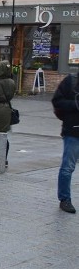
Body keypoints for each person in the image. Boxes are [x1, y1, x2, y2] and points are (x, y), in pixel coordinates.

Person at [52, 72, 79, 214]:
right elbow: (57, 101)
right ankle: (65, 199)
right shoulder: (71, 81)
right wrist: (75, 103)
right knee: (68, 167)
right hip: (73, 131)